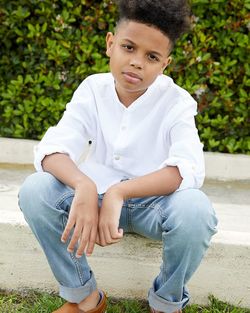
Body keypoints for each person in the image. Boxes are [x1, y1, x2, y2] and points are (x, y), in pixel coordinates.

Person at [18, 0, 218, 312]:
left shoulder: (177, 102)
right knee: (36, 189)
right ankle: (85, 298)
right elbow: (51, 150)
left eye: (152, 56)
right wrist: (84, 186)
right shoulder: (92, 89)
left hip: (154, 207)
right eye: (128, 47)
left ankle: (165, 303)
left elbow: (186, 170)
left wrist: (120, 191)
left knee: (197, 209)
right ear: (111, 44)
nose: (137, 62)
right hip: (93, 202)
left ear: (165, 64)